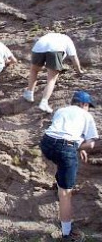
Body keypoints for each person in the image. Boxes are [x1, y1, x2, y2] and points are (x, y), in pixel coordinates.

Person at [39, 91, 98, 241]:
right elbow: (91, 144)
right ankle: (67, 234)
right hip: (65, 149)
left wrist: (74, 146)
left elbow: (60, 133)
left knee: (61, 159)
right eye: (88, 106)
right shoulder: (87, 116)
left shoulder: (61, 110)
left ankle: (59, 182)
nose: (88, 109)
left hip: (46, 143)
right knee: (66, 194)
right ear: (84, 104)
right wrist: (76, 147)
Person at [23, 33, 83, 113]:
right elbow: (74, 57)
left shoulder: (49, 35)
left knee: (34, 70)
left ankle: (29, 93)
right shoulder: (67, 40)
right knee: (51, 79)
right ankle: (44, 102)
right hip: (55, 49)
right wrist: (79, 71)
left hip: (38, 47)